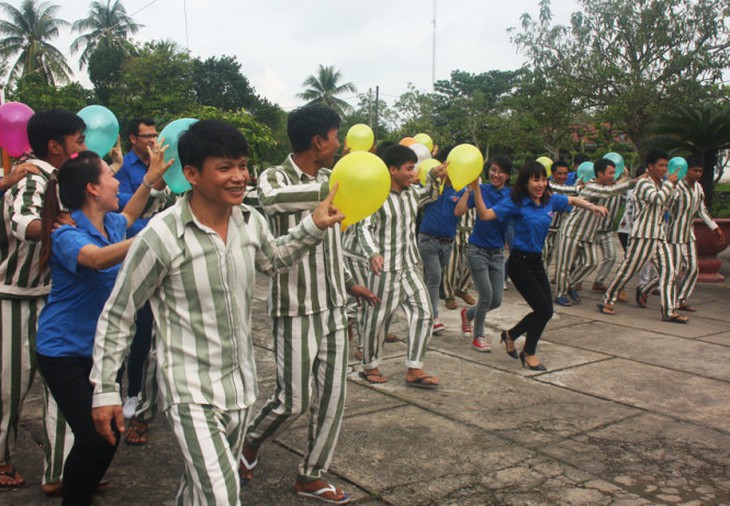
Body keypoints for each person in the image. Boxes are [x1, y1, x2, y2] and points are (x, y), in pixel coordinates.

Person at [90, 119, 345, 505]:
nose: (239, 177)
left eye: (242, 166)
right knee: (223, 495)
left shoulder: (249, 221)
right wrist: (106, 389)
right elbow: (119, 313)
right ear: (191, 174)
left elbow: (273, 260)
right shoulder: (162, 235)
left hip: (240, 389)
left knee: (199, 491)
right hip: (190, 390)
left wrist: (313, 226)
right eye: (225, 168)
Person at [242, 105, 376, 504]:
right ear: (319, 140)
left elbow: (334, 243)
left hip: (334, 306)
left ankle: (311, 474)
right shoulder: (274, 177)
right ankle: (249, 441)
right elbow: (273, 201)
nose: (341, 144)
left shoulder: (331, 177)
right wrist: (337, 190)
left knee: (333, 398)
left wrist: (351, 284)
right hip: (295, 308)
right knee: (293, 401)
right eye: (337, 136)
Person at [36, 146, 171, 505]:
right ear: (92, 189)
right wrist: (149, 238)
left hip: (103, 349)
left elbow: (130, 211)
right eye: (110, 176)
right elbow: (95, 260)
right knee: (94, 433)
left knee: (111, 431)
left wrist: (151, 176)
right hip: (63, 351)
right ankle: (75, 497)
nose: (116, 181)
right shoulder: (65, 233)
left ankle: (82, 490)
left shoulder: (110, 223)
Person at [0, 110, 86, 491]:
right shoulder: (33, 180)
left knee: (60, 389)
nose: (84, 147)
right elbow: (20, 222)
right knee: (10, 390)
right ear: (55, 146)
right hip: (14, 299)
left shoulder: (57, 179)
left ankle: (62, 472)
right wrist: (59, 226)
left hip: (48, 298)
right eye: (78, 140)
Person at [468, 161, 606, 370]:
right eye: (536, 179)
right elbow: (486, 215)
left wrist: (592, 206)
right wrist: (476, 188)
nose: (541, 184)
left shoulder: (549, 200)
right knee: (542, 310)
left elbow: (572, 199)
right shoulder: (516, 202)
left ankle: (510, 335)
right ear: (525, 182)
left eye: (543, 179)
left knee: (546, 311)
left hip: (536, 261)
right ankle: (529, 352)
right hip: (519, 263)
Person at [357, 145, 445, 387]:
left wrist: (435, 178)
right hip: (383, 270)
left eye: (414, 168)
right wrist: (372, 252)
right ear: (392, 170)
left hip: (409, 266)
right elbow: (363, 227)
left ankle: (414, 369)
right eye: (408, 169)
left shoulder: (411, 194)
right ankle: (370, 365)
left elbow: (430, 195)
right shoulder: (376, 196)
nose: (412, 173)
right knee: (377, 319)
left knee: (425, 314)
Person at [114, 119, 168, 444]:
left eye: (154, 136)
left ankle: (139, 398)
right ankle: (121, 391)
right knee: (129, 330)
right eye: (145, 136)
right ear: (132, 138)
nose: (151, 141)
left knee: (150, 333)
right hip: (128, 254)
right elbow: (122, 204)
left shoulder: (166, 163)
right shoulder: (122, 169)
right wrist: (151, 187)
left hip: (161, 254)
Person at [599, 151, 684, 322]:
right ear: (651, 167)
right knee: (628, 270)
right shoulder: (644, 184)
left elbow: (669, 203)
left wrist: (672, 187)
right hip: (643, 236)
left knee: (670, 272)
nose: (665, 169)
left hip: (658, 235)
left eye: (666, 166)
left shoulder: (661, 184)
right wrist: (670, 184)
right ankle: (608, 300)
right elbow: (658, 199)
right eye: (661, 166)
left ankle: (668, 311)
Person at [642, 155, 724, 312]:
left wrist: (714, 227)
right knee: (673, 271)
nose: (698, 174)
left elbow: (701, 209)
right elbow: (666, 205)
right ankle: (646, 289)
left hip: (688, 235)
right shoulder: (676, 186)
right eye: (695, 170)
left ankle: (680, 299)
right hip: (673, 235)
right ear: (687, 171)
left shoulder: (698, 188)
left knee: (693, 269)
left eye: (700, 171)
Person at [553, 158, 634, 306]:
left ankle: (569, 285)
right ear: (600, 173)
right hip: (572, 231)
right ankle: (560, 294)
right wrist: (633, 181)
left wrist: (626, 177)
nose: (613, 176)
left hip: (589, 234)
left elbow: (615, 187)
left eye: (614, 173)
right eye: (610, 173)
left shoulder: (607, 184)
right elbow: (610, 192)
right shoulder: (592, 186)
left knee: (591, 262)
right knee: (564, 265)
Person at [455, 156, 510, 352]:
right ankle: (479, 336)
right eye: (493, 170)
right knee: (486, 295)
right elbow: (458, 212)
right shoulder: (482, 189)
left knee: (496, 300)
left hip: (497, 253)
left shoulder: (510, 196)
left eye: (500, 171)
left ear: (507, 175)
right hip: (477, 250)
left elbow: (494, 216)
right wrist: (470, 189)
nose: (495, 174)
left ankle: (468, 315)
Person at [418, 171, 463, 334]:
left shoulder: (460, 191)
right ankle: (433, 318)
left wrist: (471, 190)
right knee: (435, 277)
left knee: (431, 278)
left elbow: (461, 211)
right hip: (428, 240)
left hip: (447, 243)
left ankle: (422, 312)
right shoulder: (431, 189)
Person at [543, 159, 578, 272]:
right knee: (542, 257)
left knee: (549, 258)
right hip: (544, 229)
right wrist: (578, 188)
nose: (563, 176)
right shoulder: (548, 185)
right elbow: (562, 190)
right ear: (552, 174)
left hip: (557, 229)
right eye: (559, 173)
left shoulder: (566, 188)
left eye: (565, 173)